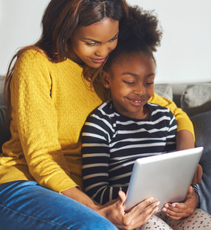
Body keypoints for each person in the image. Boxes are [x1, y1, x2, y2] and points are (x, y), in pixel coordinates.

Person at [0, 0, 197, 229]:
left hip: (80, 195)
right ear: (67, 30)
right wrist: (97, 210)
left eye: (112, 39)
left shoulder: (106, 72)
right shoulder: (36, 64)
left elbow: (174, 112)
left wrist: (185, 168)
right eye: (91, 42)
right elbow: (42, 158)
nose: (103, 52)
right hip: (25, 184)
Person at [81, 6, 211, 230]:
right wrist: (138, 194)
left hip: (168, 208)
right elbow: (95, 190)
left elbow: (178, 174)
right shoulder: (100, 124)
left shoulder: (165, 119)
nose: (141, 91)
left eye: (148, 82)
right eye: (130, 82)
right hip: (132, 214)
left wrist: (190, 197)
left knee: (203, 222)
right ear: (107, 80)